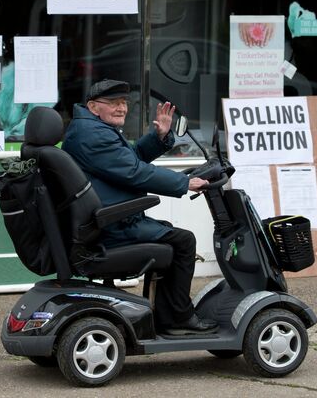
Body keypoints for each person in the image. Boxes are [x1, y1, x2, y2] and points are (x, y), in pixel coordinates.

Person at [62, 79, 218, 336]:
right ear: (92, 106)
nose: (121, 108)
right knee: (184, 241)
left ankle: (167, 316)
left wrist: (158, 137)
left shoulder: (90, 129)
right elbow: (134, 172)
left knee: (173, 238)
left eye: (123, 102)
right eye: (113, 103)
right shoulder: (92, 135)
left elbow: (127, 160)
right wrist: (184, 182)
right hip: (111, 227)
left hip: (108, 221)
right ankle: (178, 318)